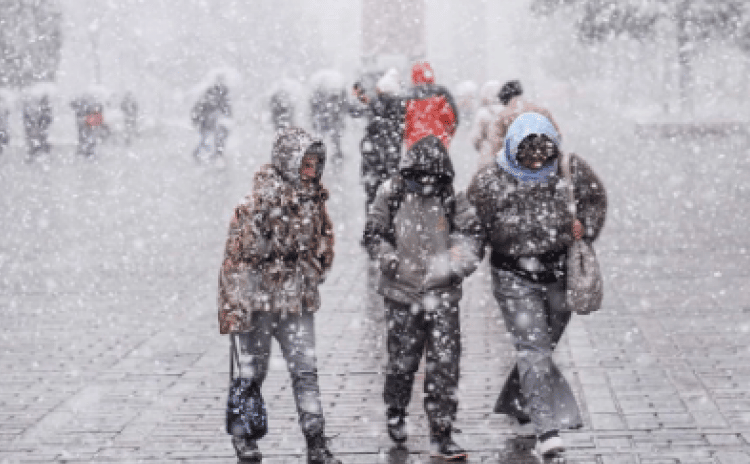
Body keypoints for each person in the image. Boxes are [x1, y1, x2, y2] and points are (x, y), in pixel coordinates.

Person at [457, 113, 607, 460]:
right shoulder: (490, 182)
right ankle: (547, 433)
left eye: (544, 155)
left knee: (542, 348)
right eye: (529, 155)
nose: (538, 162)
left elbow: (595, 200)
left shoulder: (570, 170)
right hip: (513, 277)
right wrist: (458, 265)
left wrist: (585, 226)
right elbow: (472, 228)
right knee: (533, 349)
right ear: (513, 149)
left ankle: (520, 399)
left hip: (558, 275)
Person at [218, 127, 341, 464]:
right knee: (251, 372)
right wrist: (234, 309)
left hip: (297, 301)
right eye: (305, 163)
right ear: (288, 163)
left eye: (316, 164)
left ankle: (316, 442)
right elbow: (237, 258)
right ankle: (244, 438)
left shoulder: (314, 202)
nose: (311, 171)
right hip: (258, 303)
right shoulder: (255, 203)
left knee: (305, 371)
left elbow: (324, 245)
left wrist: (314, 268)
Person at [362, 135, 473, 460]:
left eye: (432, 177)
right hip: (402, 292)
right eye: (418, 177)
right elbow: (373, 231)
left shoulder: (451, 197)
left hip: (442, 292)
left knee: (444, 365)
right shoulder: (392, 192)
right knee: (402, 360)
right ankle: (396, 408)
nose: (425, 184)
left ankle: (442, 433)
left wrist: (455, 267)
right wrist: (386, 257)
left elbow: (470, 234)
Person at [349, 71, 405, 213]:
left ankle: (375, 225)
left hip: (375, 164)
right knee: (390, 198)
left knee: (374, 198)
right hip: (389, 163)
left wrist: (359, 95)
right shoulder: (400, 106)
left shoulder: (378, 104)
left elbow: (355, 109)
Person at [477, 80, 559, 162]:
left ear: (504, 100)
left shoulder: (502, 116)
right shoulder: (541, 110)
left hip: (515, 167)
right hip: (545, 162)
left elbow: (496, 146)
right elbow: (557, 135)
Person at [403, 61, 459, 149]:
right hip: (439, 145)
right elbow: (453, 121)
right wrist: (446, 138)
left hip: (414, 146)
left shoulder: (407, 98)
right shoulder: (442, 94)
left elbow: (404, 125)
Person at [193, 78, 232, 162]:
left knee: (215, 137)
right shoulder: (205, 102)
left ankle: (216, 154)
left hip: (211, 126)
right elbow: (196, 113)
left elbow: (227, 116)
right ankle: (209, 154)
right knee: (207, 139)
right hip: (206, 125)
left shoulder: (222, 104)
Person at [310, 84, 346, 164]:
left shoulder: (319, 95)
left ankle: (334, 154)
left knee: (331, 137)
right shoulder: (335, 95)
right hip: (328, 120)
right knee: (332, 138)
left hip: (329, 120)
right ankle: (335, 154)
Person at [471, 80, 502, 154]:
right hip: (505, 158)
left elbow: (476, 138)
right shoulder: (507, 112)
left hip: (488, 156)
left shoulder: (483, 113)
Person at [22, 92, 53, 160]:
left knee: (37, 139)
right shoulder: (43, 109)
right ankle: (35, 153)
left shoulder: (44, 109)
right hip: (36, 127)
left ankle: (34, 153)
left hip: (37, 127)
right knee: (36, 139)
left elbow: (47, 119)